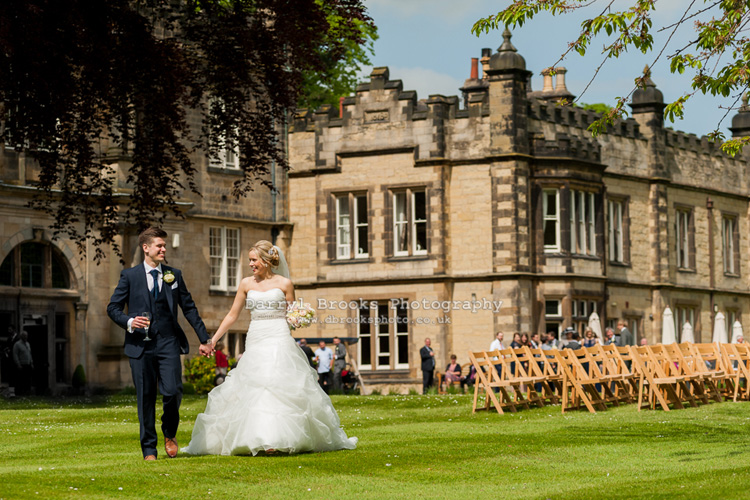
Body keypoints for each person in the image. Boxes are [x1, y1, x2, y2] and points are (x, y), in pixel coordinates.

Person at [183, 240, 356, 456]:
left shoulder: (285, 284)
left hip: (279, 336)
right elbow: (232, 315)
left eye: (254, 260)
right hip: (256, 336)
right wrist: (212, 339)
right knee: (256, 384)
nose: (251, 264)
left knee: (276, 383)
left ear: (266, 260)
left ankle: (277, 438)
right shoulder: (246, 284)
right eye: (250, 260)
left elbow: (291, 314)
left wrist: (299, 317)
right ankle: (258, 436)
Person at [107, 226, 212, 461]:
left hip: (168, 342)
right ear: (146, 248)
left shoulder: (174, 274)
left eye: (164, 245)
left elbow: (189, 308)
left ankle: (170, 432)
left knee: (173, 391)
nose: (164, 248)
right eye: (159, 245)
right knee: (145, 397)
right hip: (139, 345)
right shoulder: (129, 276)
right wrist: (130, 321)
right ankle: (149, 449)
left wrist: (204, 338)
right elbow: (112, 308)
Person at [12, 331, 34, 396]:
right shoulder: (17, 344)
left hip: (28, 364)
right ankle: (19, 393)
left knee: (28, 380)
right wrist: (18, 364)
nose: (26, 337)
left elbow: (29, 354)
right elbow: (15, 355)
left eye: (26, 335)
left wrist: (31, 363)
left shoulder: (28, 344)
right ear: (21, 336)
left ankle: (27, 392)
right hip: (22, 365)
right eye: (24, 336)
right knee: (21, 380)